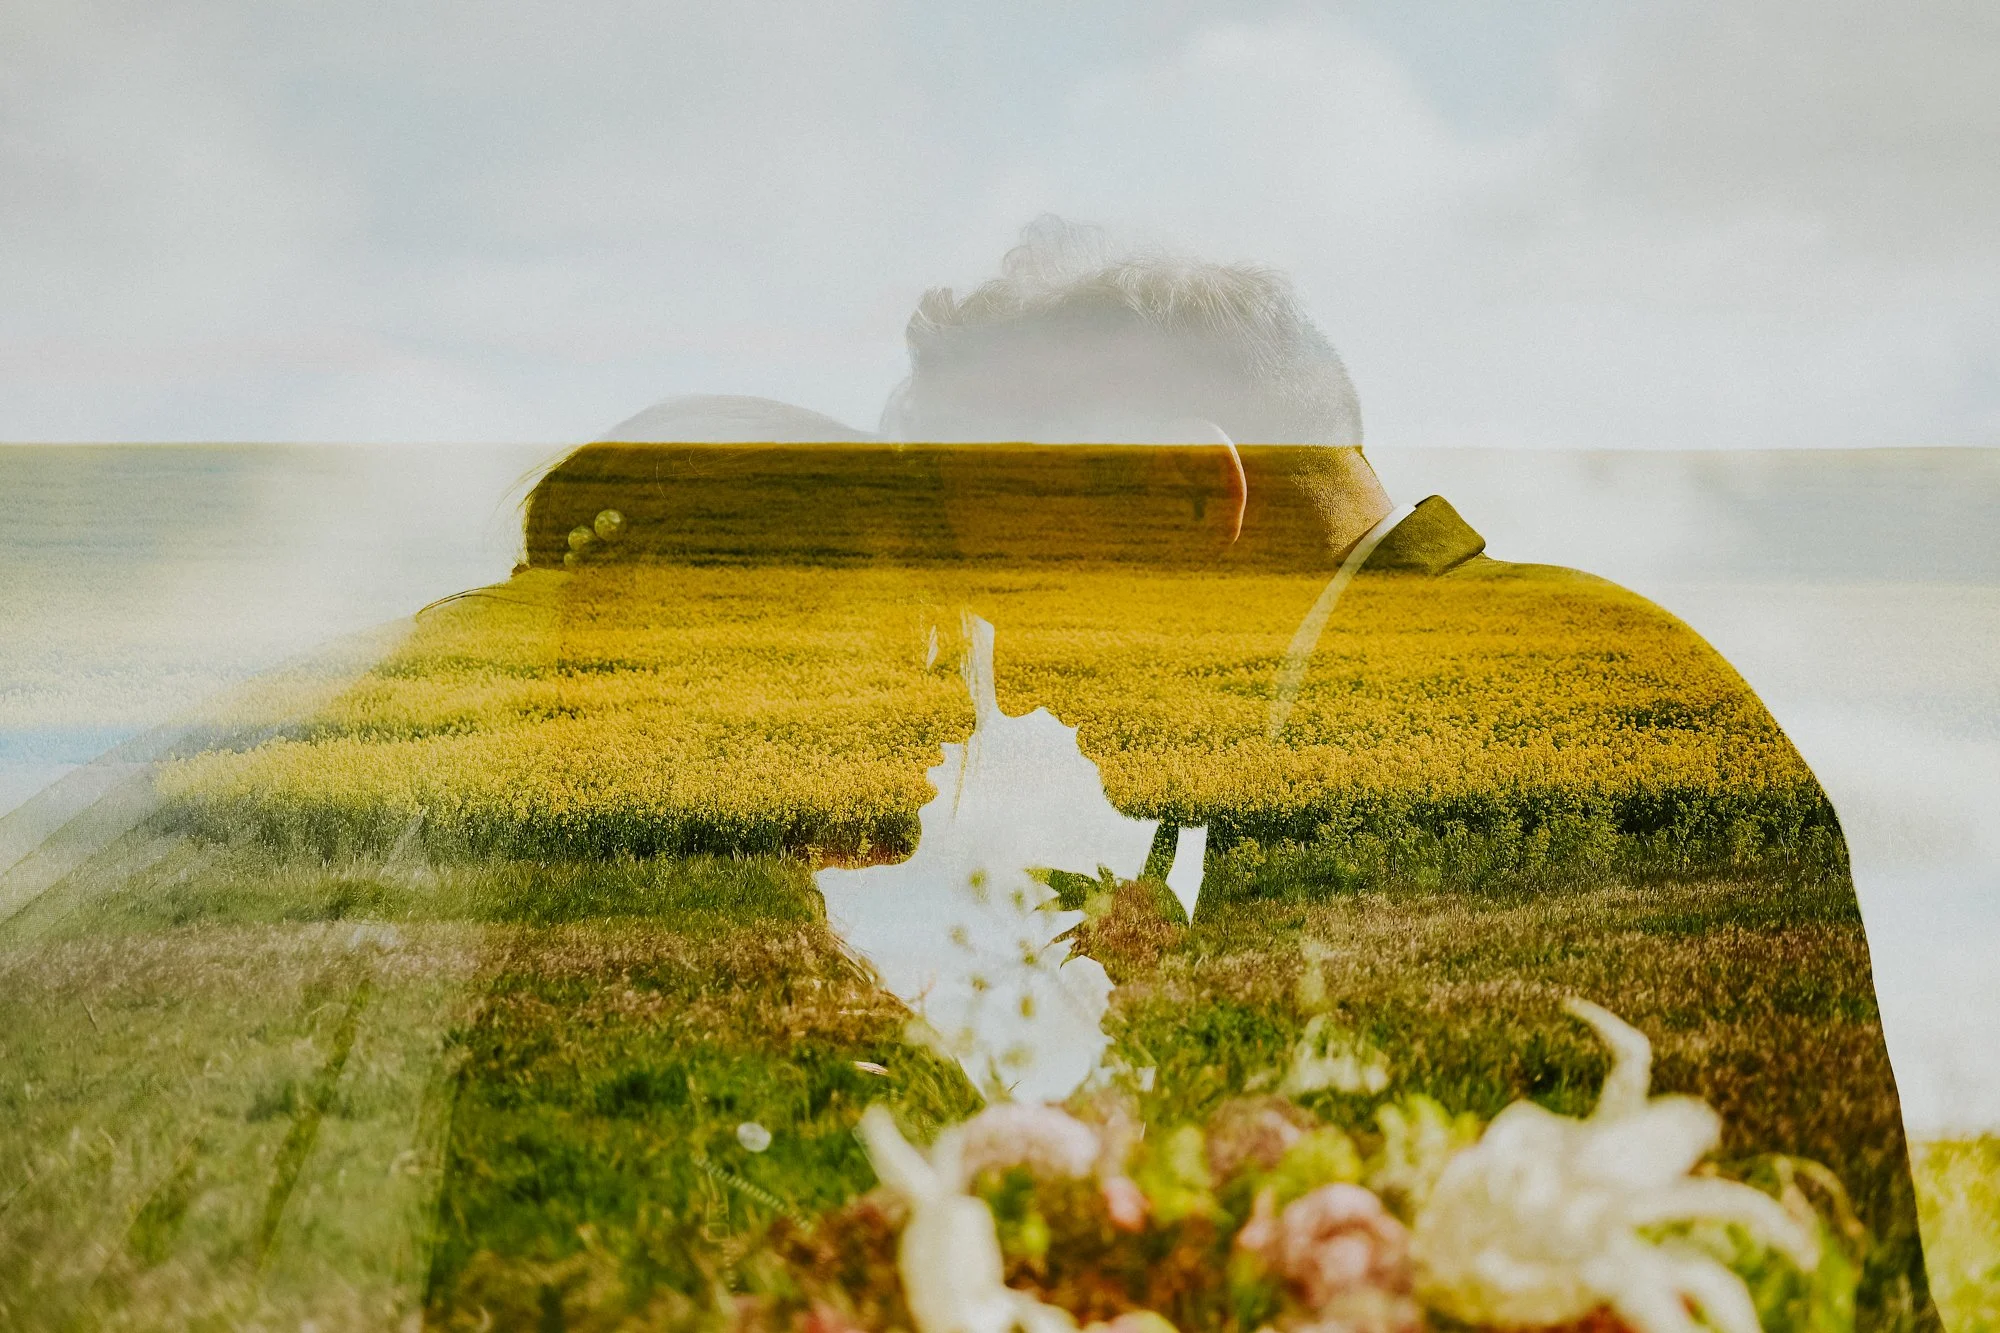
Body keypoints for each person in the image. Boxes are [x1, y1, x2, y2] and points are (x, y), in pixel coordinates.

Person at [517, 218, 1935, 1326]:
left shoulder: (1509, 714)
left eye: (1023, 584)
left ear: (1194, 492)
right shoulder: (1403, 706)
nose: (1015, 687)